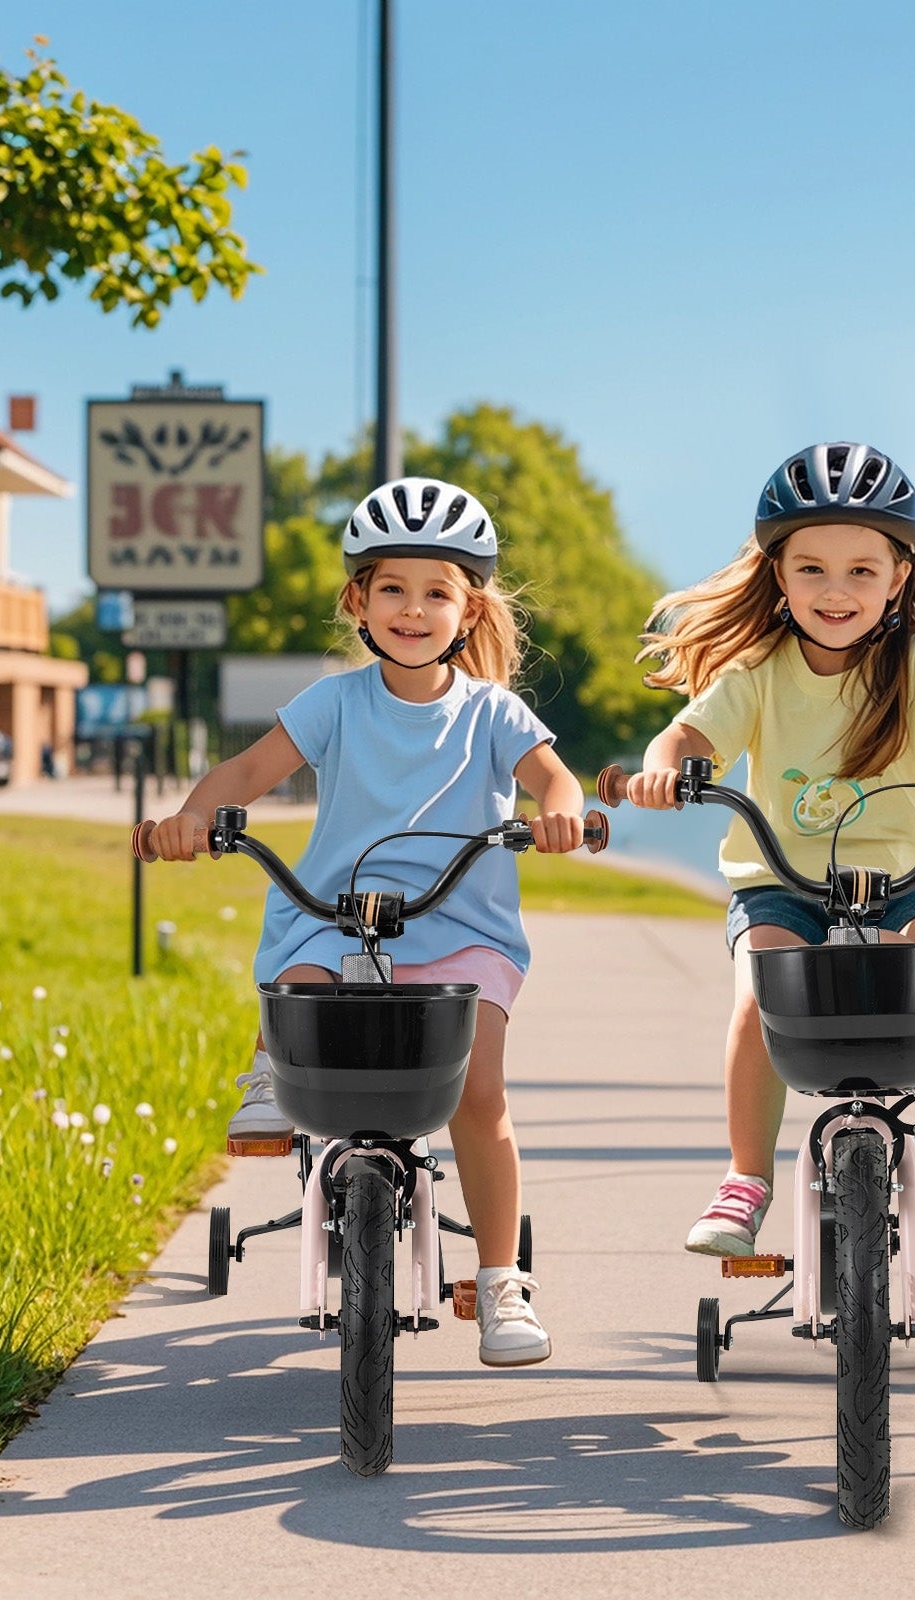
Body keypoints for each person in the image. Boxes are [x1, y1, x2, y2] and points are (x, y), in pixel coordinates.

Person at [143, 476, 587, 1364]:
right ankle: (270, 1075)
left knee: (479, 1092)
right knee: (301, 975)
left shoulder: (491, 712)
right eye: (392, 588)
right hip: (340, 914)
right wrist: (192, 816)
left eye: (436, 592)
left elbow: (552, 777)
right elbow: (244, 773)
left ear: (469, 609)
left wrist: (562, 813)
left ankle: (500, 1282)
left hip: (462, 927)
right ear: (358, 600)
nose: (413, 610)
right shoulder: (335, 703)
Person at [624, 441, 915, 1256]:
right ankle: (745, 1177)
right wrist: (663, 768)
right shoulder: (759, 669)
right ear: (779, 575)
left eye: (860, 571)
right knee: (759, 993)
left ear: (898, 578)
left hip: (906, 878)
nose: (835, 591)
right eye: (811, 569)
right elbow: (690, 732)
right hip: (781, 883)